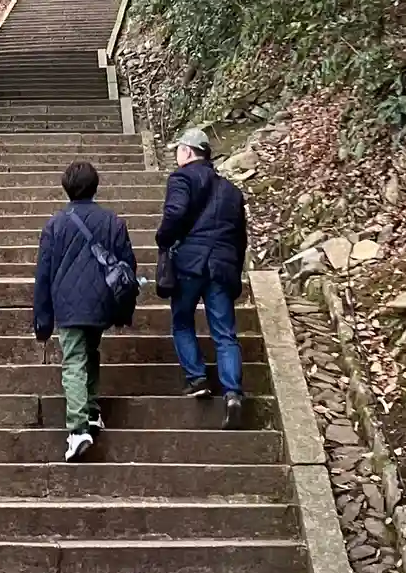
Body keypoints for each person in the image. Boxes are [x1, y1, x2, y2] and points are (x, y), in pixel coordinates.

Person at [34, 160, 139, 463]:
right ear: (95, 186)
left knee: (74, 361)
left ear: (66, 188)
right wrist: (122, 309)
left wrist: (42, 318)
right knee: (90, 352)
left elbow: (43, 274)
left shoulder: (55, 225)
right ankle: (92, 411)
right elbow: (127, 267)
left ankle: (78, 429)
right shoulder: (112, 222)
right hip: (100, 301)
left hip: (68, 305)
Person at [155, 125, 248, 427]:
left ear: (186, 152)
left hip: (190, 264)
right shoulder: (232, 191)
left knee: (182, 321)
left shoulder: (182, 178)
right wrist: (234, 270)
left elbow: (175, 214)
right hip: (222, 266)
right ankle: (232, 393)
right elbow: (240, 238)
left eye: (179, 151)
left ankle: (197, 378)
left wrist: (163, 239)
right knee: (225, 333)